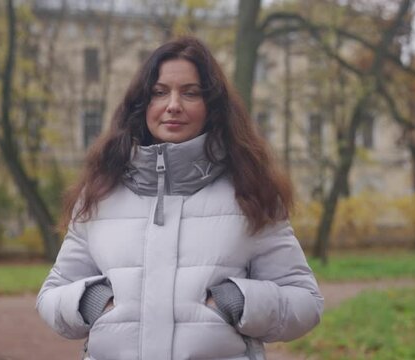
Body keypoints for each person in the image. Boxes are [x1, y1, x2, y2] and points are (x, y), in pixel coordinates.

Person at [36, 35, 323, 360]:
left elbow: (305, 302)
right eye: (159, 92)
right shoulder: (100, 192)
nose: (173, 105)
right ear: (142, 104)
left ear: (212, 107)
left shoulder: (250, 191)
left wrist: (238, 301)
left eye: (190, 93)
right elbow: (51, 296)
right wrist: (93, 302)